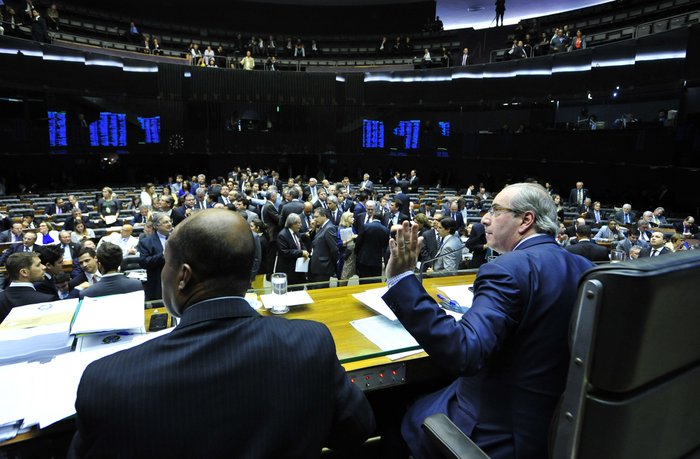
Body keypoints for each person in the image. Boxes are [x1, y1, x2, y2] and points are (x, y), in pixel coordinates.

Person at [68, 209, 374, 457]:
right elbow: (357, 430)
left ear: (183, 276)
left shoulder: (108, 380)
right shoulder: (311, 342)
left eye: (167, 265)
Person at [381, 182, 593, 458]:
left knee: (393, 411)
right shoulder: (586, 269)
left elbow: (464, 351)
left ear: (526, 220)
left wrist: (400, 280)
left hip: (494, 432)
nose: (484, 218)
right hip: (552, 429)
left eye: (495, 210)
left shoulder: (507, 269)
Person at [1, 252, 57, 323]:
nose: (44, 267)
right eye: (38, 265)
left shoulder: (1, 299)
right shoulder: (47, 301)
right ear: (24, 272)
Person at [137, 212, 171, 300]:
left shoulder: (177, 237)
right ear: (156, 226)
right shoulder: (146, 242)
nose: (169, 224)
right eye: (165, 222)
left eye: (170, 221)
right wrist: (162, 255)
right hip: (158, 282)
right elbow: (144, 262)